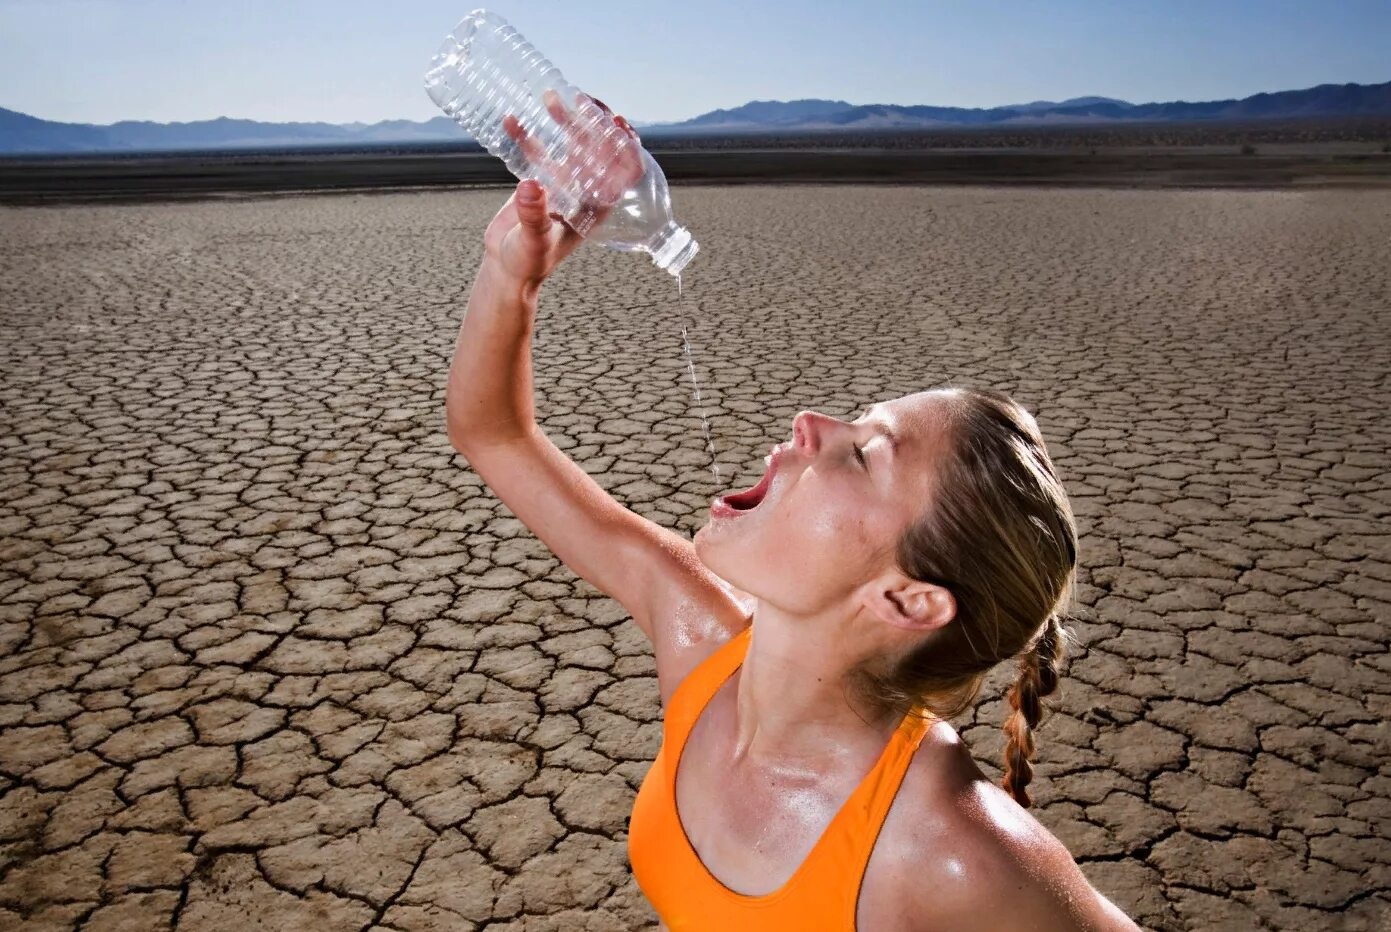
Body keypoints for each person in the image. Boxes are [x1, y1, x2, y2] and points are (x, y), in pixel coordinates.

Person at [445, 95, 1142, 931]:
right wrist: (511, 272)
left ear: (907, 600)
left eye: (863, 452)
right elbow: (494, 436)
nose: (809, 421)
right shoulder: (699, 638)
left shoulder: (953, 856)